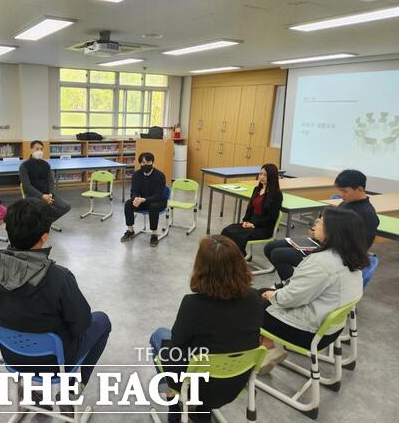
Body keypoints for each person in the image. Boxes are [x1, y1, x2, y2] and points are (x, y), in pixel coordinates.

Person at [0, 198, 111, 391]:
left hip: (11, 356)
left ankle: (32, 390)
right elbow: (81, 325)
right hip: (55, 362)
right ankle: (72, 388)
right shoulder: (59, 277)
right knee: (102, 321)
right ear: (44, 236)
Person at [150, 235, 263, 423]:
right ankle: (202, 411)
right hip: (236, 382)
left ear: (201, 267)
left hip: (197, 385)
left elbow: (177, 345)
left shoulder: (192, 305)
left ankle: (175, 405)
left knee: (159, 337)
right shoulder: (254, 298)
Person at [259, 208, 367, 374]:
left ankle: (262, 353)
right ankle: (268, 347)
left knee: (251, 303)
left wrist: (274, 295)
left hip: (308, 332)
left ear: (333, 232)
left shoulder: (321, 262)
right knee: (266, 293)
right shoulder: (353, 258)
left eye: (321, 222)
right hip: (332, 329)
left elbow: (289, 299)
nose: (315, 224)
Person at [264, 169, 379, 287]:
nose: (341, 195)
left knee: (278, 254)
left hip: (335, 255)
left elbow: (358, 248)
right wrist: (318, 231)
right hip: (322, 244)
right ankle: (294, 282)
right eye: (340, 191)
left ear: (360, 189)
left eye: (345, 191)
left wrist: (325, 237)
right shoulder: (347, 203)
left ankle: (296, 286)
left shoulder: (367, 215)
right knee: (270, 247)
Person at [221, 164, 283, 255]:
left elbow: (272, 217)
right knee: (227, 230)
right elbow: (250, 208)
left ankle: (237, 258)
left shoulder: (276, 194)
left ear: (272, 176)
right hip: (250, 223)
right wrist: (245, 221)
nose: (261, 177)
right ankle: (225, 256)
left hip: (263, 227)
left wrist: (253, 224)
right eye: (260, 174)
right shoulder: (257, 189)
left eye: (265, 175)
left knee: (238, 235)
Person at [120, 152, 168, 247]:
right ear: (140, 163)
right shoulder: (136, 175)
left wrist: (143, 199)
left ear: (152, 162)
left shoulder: (160, 175)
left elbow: (158, 195)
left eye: (148, 162)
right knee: (128, 204)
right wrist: (135, 199)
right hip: (143, 200)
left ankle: (154, 234)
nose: (145, 165)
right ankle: (130, 230)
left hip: (159, 201)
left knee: (153, 206)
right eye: (142, 163)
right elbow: (134, 191)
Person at [19, 140, 71, 223]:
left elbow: (51, 181)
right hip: (33, 196)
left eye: (41, 149)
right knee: (43, 208)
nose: (39, 151)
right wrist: (42, 196)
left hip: (48, 195)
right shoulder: (24, 166)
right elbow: (26, 186)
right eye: (37, 149)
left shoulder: (46, 164)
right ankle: (42, 223)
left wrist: (50, 194)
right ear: (31, 150)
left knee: (66, 207)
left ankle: (46, 222)